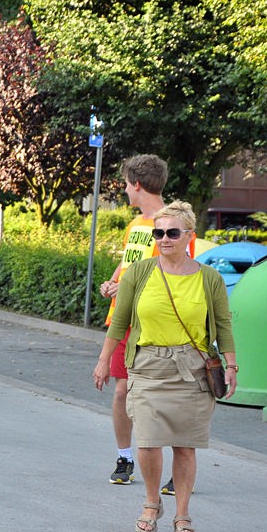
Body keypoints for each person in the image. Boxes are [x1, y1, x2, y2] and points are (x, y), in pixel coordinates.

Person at [93, 200, 236, 532]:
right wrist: (103, 360)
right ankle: (151, 502)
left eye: (172, 232)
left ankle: (183, 514)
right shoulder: (140, 272)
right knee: (148, 441)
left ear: (190, 235)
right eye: (159, 233)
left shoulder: (209, 279)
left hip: (192, 371)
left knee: (185, 446)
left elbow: (224, 326)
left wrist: (231, 365)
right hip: (148, 368)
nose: (164, 239)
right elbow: (121, 321)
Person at [99, 155, 195, 492]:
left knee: (163, 397)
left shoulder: (174, 224)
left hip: (155, 325)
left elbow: (176, 274)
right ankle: (124, 457)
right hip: (123, 319)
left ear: (137, 184)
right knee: (122, 391)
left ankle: (177, 468)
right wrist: (113, 283)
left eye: (126, 184)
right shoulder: (137, 225)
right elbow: (129, 263)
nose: (124, 190)